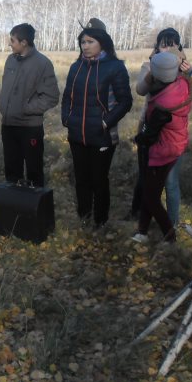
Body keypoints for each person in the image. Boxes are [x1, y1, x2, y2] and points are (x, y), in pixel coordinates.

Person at [61, 19, 132, 228]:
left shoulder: (115, 67)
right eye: (83, 42)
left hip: (101, 135)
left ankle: (101, 221)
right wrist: (66, 119)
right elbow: (67, 97)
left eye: (90, 41)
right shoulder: (76, 67)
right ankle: (84, 215)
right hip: (77, 134)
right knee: (81, 179)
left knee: (99, 180)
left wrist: (105, 122)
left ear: (102, 43)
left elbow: (125, 101)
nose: (85, 45)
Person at [129, 28, 192, 224]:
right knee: (146, 177)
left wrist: (191, 73)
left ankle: (173, 223)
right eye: (164, 44)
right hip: (150, 131)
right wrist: (153, 71)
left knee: (170, 182)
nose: (168, 48)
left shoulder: (185, 69)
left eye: (172, 44)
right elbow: (140, 90)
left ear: (179, 47)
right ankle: (140, 216)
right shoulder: (149, 65)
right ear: (157, 47)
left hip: (172, 134)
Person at [130, 51, 192, 243]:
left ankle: (169, 236)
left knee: (150, 196)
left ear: (156, 74)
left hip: (162, 151)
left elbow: (149, 135)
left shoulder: (162, 103)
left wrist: (138, 139)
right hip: (175, 145)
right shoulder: (181, 84)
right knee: (152, 190)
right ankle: (142, 231)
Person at [0, 23, 59, 188]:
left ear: (24, 42)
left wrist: (26, 109)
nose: (9, 44)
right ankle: (14, 204)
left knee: (34, 169)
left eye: (12, 40)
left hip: (29, 127)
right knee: (11, 168)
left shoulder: (43, 63)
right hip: (8, 125)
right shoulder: (10, 60)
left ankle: (36, 205)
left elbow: (51, 97)